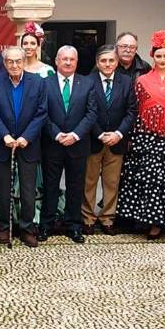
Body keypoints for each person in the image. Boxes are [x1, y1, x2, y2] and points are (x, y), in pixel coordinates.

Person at [117, 30, 165, 240]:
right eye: (158, 56)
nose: (161, 60)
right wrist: (131, 135)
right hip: (142, 133)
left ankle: (157, 222)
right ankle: (139, 219)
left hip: (162, 136)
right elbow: (135, 107)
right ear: (153, 57)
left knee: (157, 179)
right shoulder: (141, 80)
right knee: (137, 176)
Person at [0, 46, 47, 248]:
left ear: (24, 61)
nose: (14, 65)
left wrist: (26, 137)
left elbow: (41, 112)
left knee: (28, 191)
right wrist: (4, 135)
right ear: (4, 63)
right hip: (3, 144)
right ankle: (5, 226)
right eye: (10, 61)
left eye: (18, 61)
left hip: (27, 145)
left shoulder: (37, 82)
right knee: (4, 190)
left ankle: (27, 228)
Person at [40, 45, 98, 244]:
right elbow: (42, 113)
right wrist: (56, 134)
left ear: (76, 62)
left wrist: (75, 134)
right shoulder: (45, 83)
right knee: (50, 186)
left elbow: (92, 114)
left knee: (76, 186)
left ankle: (73, 225)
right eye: (64, 59)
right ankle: (46, 224)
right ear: (56, 61)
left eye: (72, 59)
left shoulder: (88, 83)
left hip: (78, 144)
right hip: (52, 144)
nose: (68, 62)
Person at [82, 45, 137, 236]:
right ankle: (88, 218)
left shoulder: (127, 81)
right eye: (103, 61)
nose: (107, 64)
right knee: (88, 182)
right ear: (97, 63)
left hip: (117, 141)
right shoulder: (87, 82)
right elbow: (87, 111)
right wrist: (99, 133)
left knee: (111, 182)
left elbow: (131, 112)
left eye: (111, 60)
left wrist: (118, 134)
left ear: (116, 62)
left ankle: (107, 218)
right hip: (93, 139)